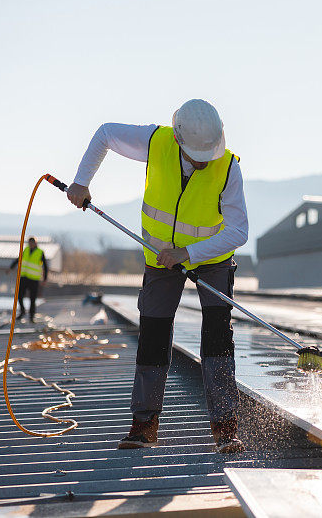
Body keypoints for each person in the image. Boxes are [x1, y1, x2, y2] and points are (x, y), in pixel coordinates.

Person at [67, 99, 248, 453]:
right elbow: (105, 134)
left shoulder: (228, 167)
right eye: (198, 154)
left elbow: (238, 231)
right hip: (161, 259)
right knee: (153, 332)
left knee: (217, 338)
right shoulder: (156, 142)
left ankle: (226, 428)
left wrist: (191, 253)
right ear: (179, 139)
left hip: (212, 258)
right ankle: (144, 426)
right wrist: (80, 182)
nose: (204, 161)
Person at [7, 237, 48, 322]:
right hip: (24, 277)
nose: (31, 245)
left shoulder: (40, 252)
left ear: (35, 243)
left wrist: (45, 279)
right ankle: (22, 311)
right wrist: (11, 268)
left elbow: (45, 266)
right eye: (29, 243)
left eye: (32, 243)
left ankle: (31, 316)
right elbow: (18, 259)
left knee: (32, 299)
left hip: (34, 279)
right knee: (19, 296)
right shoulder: (25, 250)